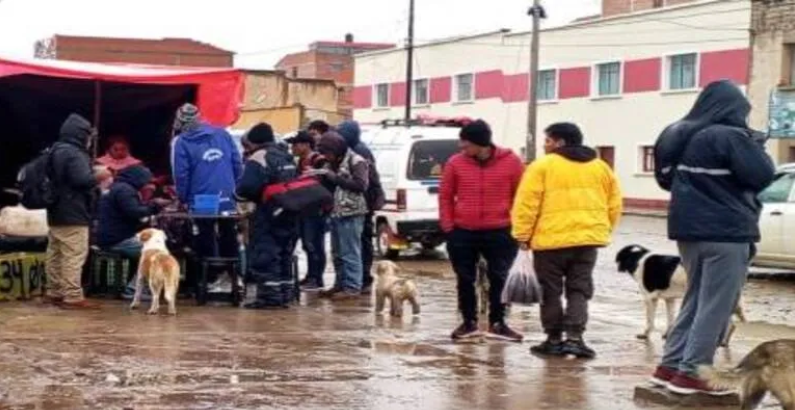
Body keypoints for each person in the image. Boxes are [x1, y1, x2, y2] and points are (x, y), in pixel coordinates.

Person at [649, 80, 775, 395]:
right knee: (717, 304)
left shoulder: (677, 132)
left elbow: (667, 182)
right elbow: (762, 176)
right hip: (726, 231)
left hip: (688, 231)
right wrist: (755, 144)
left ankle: (671, 366)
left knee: (696, 299)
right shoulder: (728, 136)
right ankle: (694, 374)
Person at [511, 122, 622, 359]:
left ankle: (553, 339)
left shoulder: (542, 166)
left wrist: (522, 235)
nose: (544, 145)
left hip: (550, 243)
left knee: (550, 290)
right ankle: (575, 338)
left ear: (560, 142)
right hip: (587, 242)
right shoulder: (601, 167)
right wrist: (600, 230)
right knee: (579, 289)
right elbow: (614, 205)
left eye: (548, 141)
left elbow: (527, 203)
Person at [439, 119, 525, 342]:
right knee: (464, 278)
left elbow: (522, 196)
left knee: (500, 277)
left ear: (481, 143)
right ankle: (468, 321)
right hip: (463, 231)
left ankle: (498, 322)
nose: (461, 147)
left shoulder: (512, 162)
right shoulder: (455, 163)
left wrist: (517, 224)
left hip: (500, 231)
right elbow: (446, 196)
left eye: (466, 143)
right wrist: (449, 226)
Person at [171, 103, 243, 291]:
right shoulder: (223, 134)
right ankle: (233, 276)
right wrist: (236, 192)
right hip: (227, 196)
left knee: (205, 235)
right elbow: (237, 164)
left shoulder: (181, 142)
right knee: (229, 233)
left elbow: (181, 174)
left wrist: (183, 198)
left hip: (202, 198)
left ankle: (209, 278)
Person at [236, 123, 300, 309]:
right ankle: (286, 294)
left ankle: (270, 298)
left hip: (268, 213)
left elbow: (246, 188)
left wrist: (237, 196)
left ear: (254, 142)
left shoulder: (259, 157)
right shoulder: (285, 155)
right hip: (289, 210)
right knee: (285, 253)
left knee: (266, 253)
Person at [45, 113, 104, 309]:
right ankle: (72, 295)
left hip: (55, 211)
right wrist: (100, 175)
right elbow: (82, 180)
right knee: (74, 254)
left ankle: (54, 291)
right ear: (81, 135)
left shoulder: (55, 150)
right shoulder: (74, 153)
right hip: (74, 212)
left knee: (55, 253)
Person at [95, 165, 168, 299]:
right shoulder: (125, 190)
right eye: (146, 180)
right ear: (138, 178)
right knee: (157, 252)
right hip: (117, 239)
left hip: (110, 236)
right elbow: (134, 212)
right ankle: (134, 289)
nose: (147, 184)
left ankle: (137, 286)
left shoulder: (118, 187)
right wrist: (155, 206)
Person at [315, 131, 369, 300]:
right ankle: (340, 284)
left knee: (350, 252)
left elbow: (361, 185)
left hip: (352, 213)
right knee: (337, 252)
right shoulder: (331, 163)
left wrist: (334, 177)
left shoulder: (356, 161)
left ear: (336, 149)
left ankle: (353, 287)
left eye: (328, 152)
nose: (327, 156)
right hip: (336, 212)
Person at [337, 120, 384, 294]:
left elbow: (365, 181)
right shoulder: (355, 149)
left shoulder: (359, 152)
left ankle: (362, 278)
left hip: (363, 202)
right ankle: (358, 279)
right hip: (362, 201)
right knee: (359, 242)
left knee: (360, 242)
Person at [285, 131, 329, 290]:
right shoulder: (300, 162)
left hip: (315, 209)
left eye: (295, 144)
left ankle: (317, 278)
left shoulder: (319, 161)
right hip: (303, 208)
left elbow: (325, 183)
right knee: (306, 243)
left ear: (306, 145)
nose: (292, 148)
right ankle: (311, 275)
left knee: (314, 244)